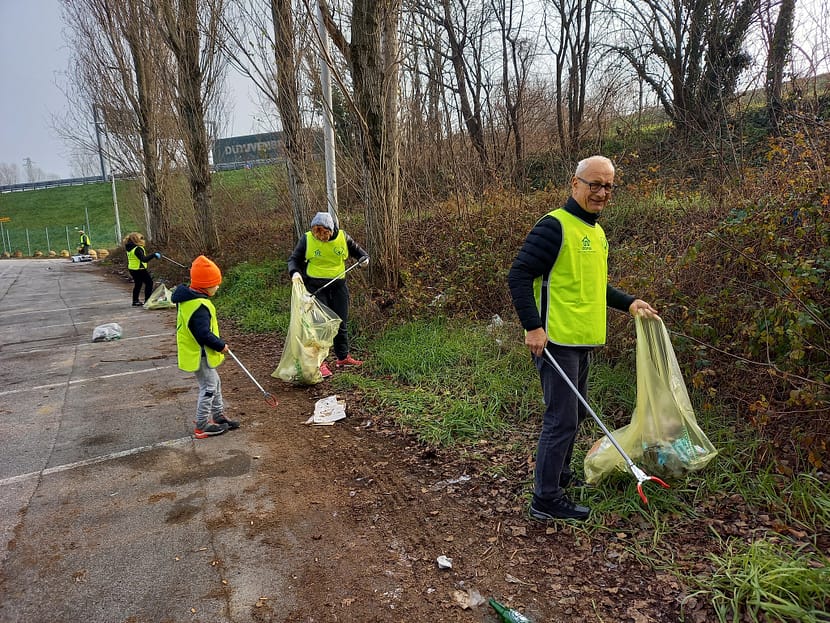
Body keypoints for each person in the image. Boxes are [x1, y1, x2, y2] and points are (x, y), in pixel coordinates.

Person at [507, 155, 659, 521]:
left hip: (581, 339)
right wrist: (533, 326)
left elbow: (593, 287)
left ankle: (558, 477)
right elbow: (518, 275)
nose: (602, 192)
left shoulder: (596, 232)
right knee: (561, 420)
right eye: (595, 184)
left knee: (573, 415)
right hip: (555, 340)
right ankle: (545, 499)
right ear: (575, 184)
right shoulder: (554, 227)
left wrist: (629, 303)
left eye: (608, 186)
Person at [287, 212, 369, 378]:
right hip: (315, 288)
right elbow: (293, 259)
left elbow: (360, 253)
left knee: (341, 322)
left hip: (338, 287)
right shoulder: (307, 239)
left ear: (331, 230)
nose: (321, 237)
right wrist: (294, 272)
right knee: (319, 326)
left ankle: (343, 357)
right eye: (317, 233)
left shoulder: (343, 238)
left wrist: (364, 259)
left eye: (324, 233)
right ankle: (319, 363)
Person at [171, 255, 239, 439]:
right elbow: (202, 333)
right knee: (209, 387)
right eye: (215, 284)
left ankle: (218, 416)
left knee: (215, 383)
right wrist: (220, 345)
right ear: (205, 285)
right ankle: (202, 425)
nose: (218, 287)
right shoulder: (198, 306)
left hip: (199, 353)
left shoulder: (190, 299)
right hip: (198, 354)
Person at [123, 232, 161, 306]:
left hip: (132, 269)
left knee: (138, 284)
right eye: (141, 238)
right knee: (149, 283)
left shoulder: (129, 247)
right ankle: (147, 300)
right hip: (139, 269)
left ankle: (135, 301)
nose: (143, 239)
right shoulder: (137, 249)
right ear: (136, 239)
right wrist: (153, 255)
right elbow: (144, 259)